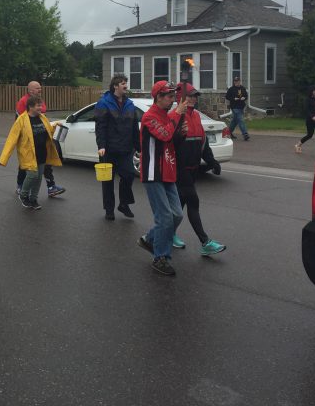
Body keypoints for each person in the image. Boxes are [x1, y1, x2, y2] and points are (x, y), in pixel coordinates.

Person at [136, 80, 187, 276]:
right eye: (169, 97)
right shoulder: (149, 117)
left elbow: (172, 140)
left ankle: (150, 239)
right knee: (165, 217)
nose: (173, 100)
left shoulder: (167, 115)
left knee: (177, 215)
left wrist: (181, 134)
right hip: (153, 173)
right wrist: (177, 115)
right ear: (158, 97)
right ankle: (160, 257)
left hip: (168, 171)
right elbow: (165, 134)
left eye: (174, 96)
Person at [171, 83, 226, 256]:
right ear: (180, 97)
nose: (194, 98)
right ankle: (205, 242)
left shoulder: (195, 116)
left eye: (196, 96)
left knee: (180, 205)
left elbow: (202, 143)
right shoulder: (174, 116)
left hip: (193, 168)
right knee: (193, 201)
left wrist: (212, 162)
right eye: (190, 95)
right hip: (180, 169)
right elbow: (169, 143)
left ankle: (165, 233)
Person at [0, 95, 62, 209]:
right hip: (28, 155)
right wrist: (3, 159)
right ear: (30, 107)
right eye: (38, 106)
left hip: (42, 154)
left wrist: (56, 127)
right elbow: (11, 139)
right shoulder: (21, 120)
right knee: (32, 175)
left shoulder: (43, 118)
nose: (41, 108)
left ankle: (33, 199)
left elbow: (48, 130)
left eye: (41, 105)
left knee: (38, 178)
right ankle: (23, 196)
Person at [94, 74, 141, 220]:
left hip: (125, 149)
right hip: (108, 149)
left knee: (128, 175)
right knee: (107, 181)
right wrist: (101, 145)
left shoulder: (130, 104)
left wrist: (139, 147)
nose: (125, 85)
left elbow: (134, 128)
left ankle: (124, 204)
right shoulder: (103, 103)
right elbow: (100, 126)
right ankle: (109, 210)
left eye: (126, 82)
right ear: (115, 86)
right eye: (122, 83)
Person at [15, 81, 66, 197]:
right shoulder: (23, 102)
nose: (40, 90)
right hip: (28, 142)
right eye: (37, 88)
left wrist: (51, 128)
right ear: (30, 90)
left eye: (40, 88)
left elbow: (42, 118)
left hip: (41, 138)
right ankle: (20, 186)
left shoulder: (39, 101)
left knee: (46, 163)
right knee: (25, 165)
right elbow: (19, 123)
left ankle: (51, 187)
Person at [296, 86, 315, 154]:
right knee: (310, 135)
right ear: (311, 91)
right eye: (314, 91)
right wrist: (312, 116)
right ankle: (298, 145)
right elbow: (307, 110)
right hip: (310, 120)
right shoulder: (308, 100)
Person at [225, 76, 250, 141]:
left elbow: (246, 96)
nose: (236, 82)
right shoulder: (231, 89)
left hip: (241, 106)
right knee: (240, 119)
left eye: (238, 81)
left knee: (235, 121)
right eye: (235, 81)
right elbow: (227, 97)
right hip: (234, 106)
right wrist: (233, 99)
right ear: (234, 82)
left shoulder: (242, 88)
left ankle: (228, 133)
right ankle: (245, 134)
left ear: (240, 81)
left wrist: (244, 98)